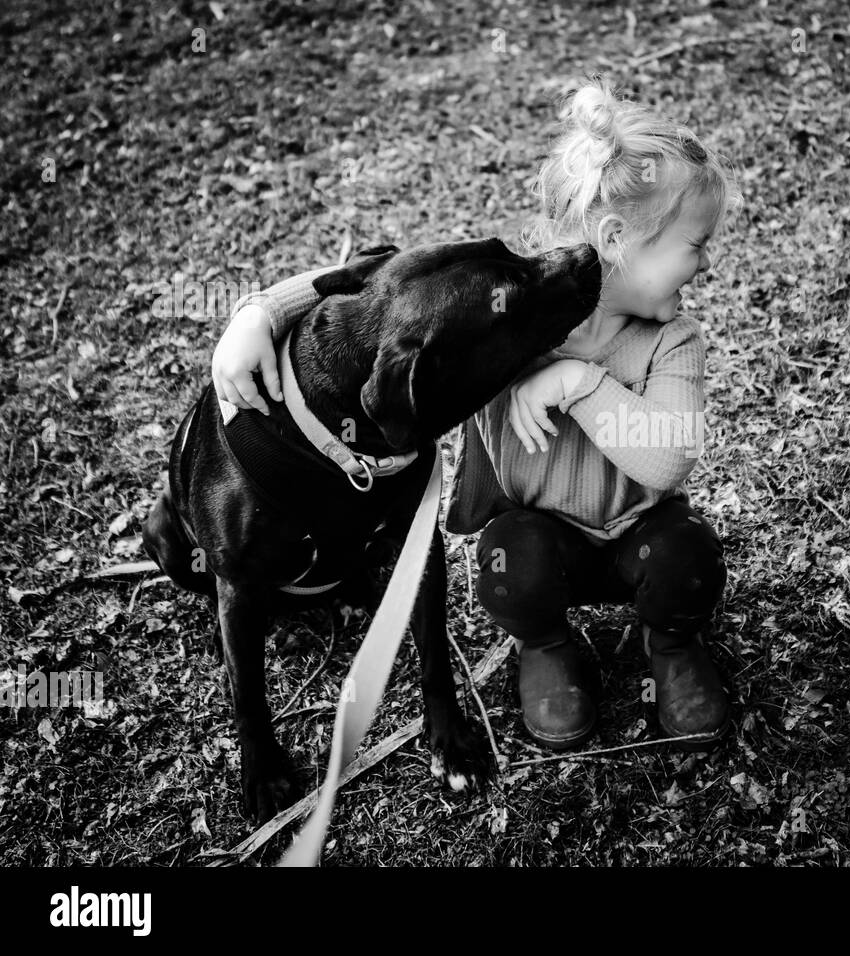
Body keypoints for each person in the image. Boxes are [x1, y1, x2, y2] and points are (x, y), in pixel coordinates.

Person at [211, 75, 739, 751]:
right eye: (695, 245)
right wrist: (259, 313)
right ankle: (545, 645)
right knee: (507, 564)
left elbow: (666, 459)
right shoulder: (504, 319)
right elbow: (385, 288)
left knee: (688, 558)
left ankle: (669, 645)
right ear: (616, 238)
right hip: (541, 541)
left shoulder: (672, 339)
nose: (707, 261)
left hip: (641, 531)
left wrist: (577, 383)